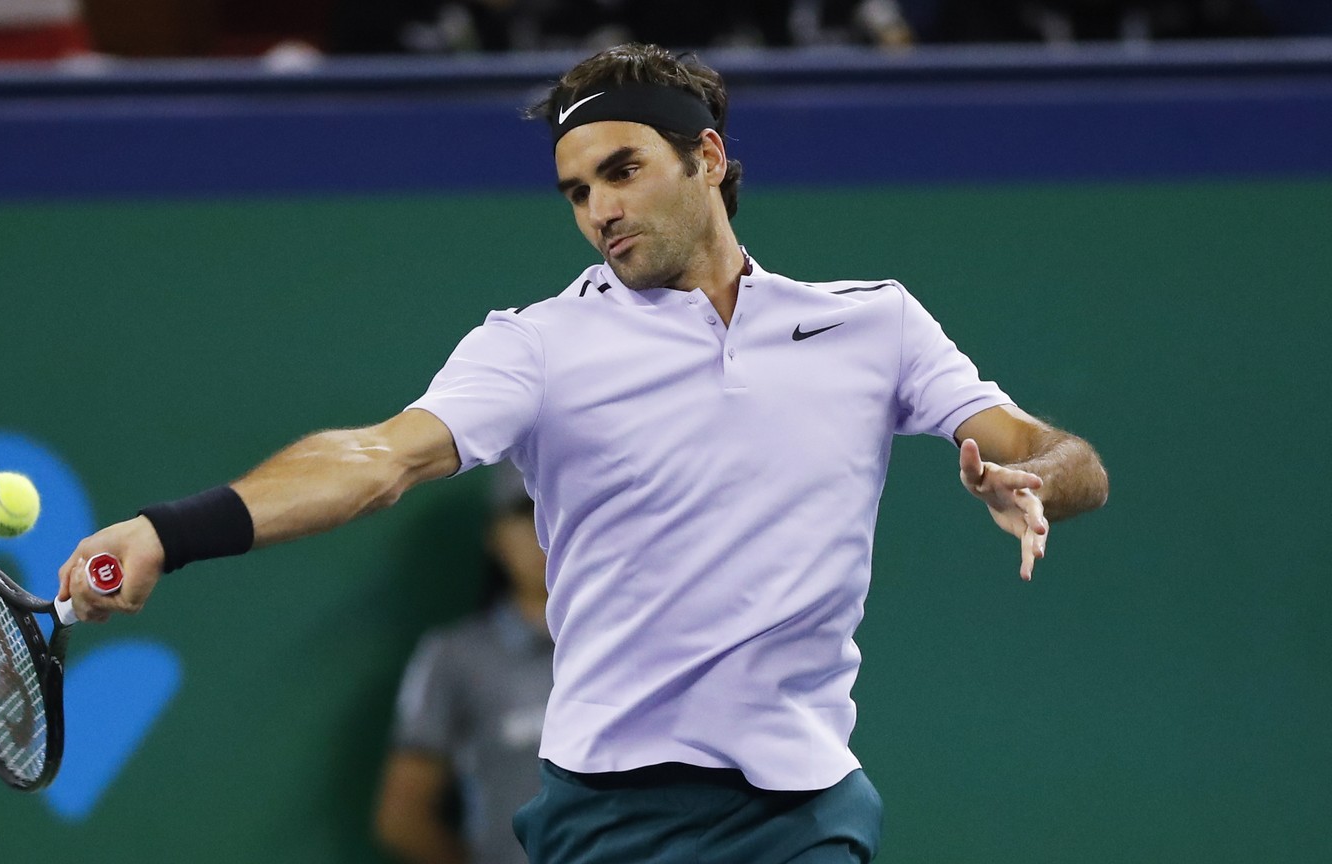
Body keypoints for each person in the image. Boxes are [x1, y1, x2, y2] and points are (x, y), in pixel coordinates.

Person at [59, 42, 1109, 864]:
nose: (599, 209)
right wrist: (169, 530)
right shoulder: (536, 346)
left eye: (621, 170)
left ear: (705, 160)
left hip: (808, 805)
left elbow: (1062, 457)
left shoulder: (873, 324)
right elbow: (378, 458)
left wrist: (1035, 480)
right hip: (617, 814)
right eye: (575, 190)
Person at [374, 463, 551, 864]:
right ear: (495, 537)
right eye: (526, 516)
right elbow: (403, 815)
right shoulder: (455, 657)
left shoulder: (637, 641)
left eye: (559, 512)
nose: (545, 533)